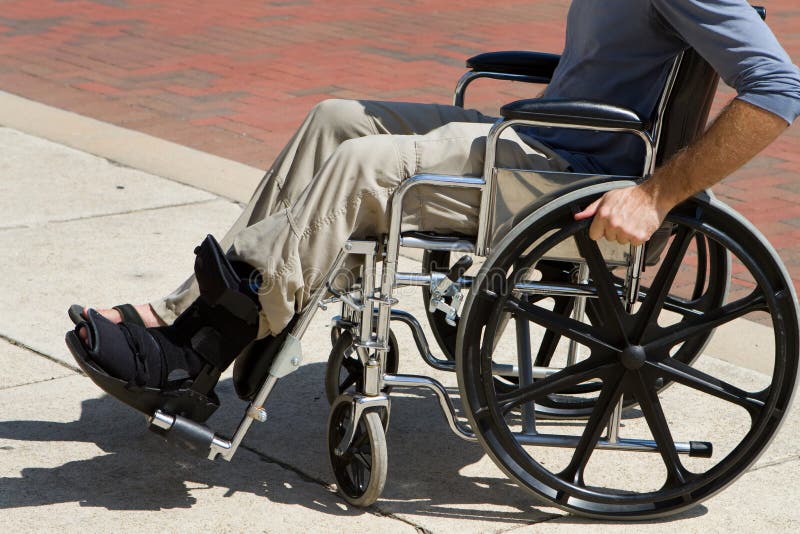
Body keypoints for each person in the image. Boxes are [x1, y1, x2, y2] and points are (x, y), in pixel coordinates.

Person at [67, 0, 800, 418]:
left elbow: (777, 89)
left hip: (568, 178)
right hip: (539, 140)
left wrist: (655, 195)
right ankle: (196, 306)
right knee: (337, 118)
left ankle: (210, 340)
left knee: (364, 167)